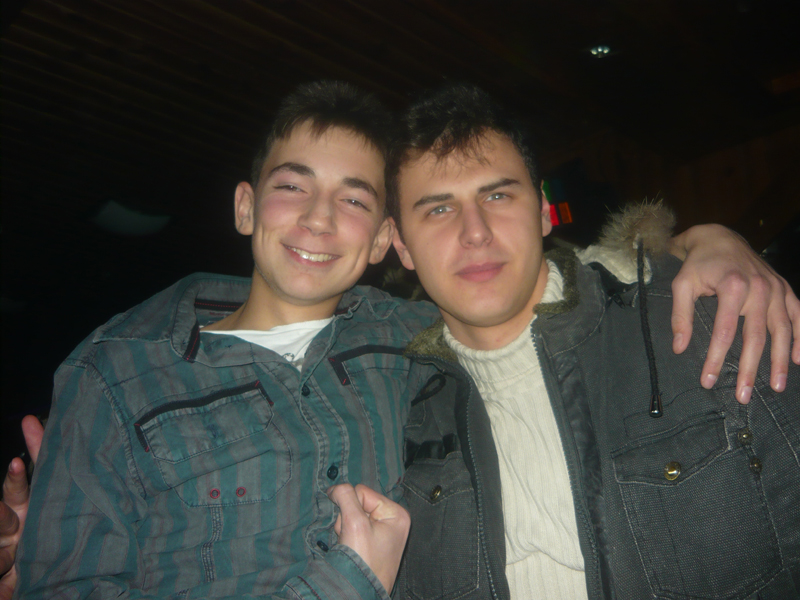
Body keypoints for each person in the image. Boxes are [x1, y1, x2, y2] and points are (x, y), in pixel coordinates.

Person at [3, 80, 799, 599]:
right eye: (438, 209)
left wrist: (706, 241)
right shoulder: (126, 370)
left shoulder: (701, 321)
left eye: (353, 200)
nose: (319, 220)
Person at [386, 83, 800, 599]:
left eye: (497, 195)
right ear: (401, 244)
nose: (476, 231)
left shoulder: (705, 321)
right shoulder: (396, 410)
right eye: (438, 209)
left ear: (543, 211)